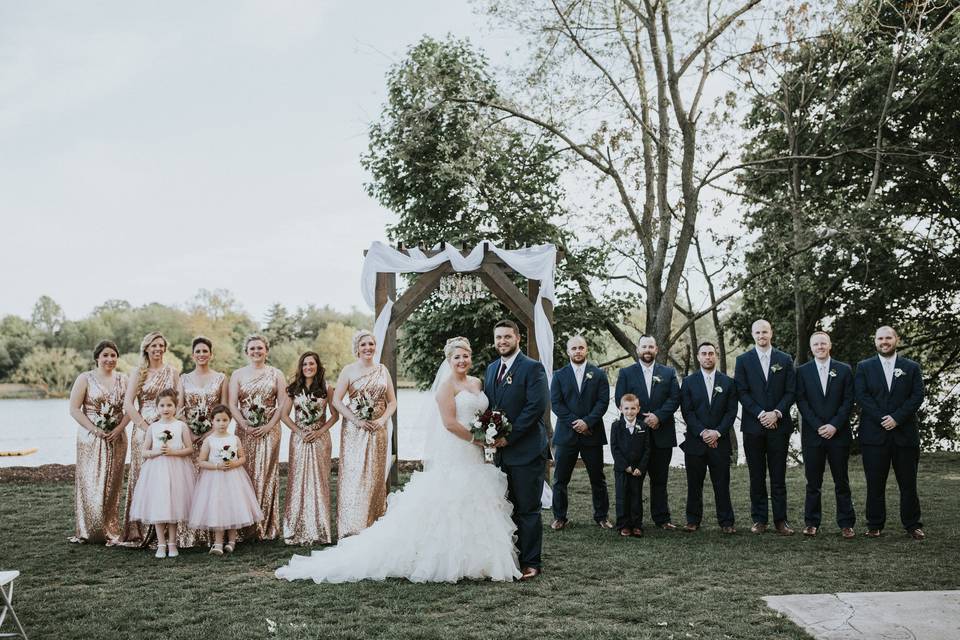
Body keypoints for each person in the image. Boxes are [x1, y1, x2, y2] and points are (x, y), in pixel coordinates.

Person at [275, 337, 520, 583]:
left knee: (474, 500)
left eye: (466, 356)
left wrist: (489, 430)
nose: (462, 360)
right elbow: (450, 424)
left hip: (475, 453)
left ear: (471, 357)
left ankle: (477, 558)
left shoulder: (478, 382)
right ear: (449, 360)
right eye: (457, 357)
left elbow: (483, 413)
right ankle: (443, 557)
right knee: (449, 501)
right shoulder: (446, 387)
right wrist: (479, 440)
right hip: (458, 448)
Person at [484, 320, 548, 580]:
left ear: (518, 338)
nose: (502, 342)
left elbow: (535, 407)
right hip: (499, 453)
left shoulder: (533, 368)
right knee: (504, 506)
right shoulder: (490, 369)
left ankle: (531, 561)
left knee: (527, 508)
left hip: (526, 450)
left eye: (507, 337)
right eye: (498, 337)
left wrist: (509, 438)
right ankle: (510, 556)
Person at [855, 326, 925, 540]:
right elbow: (862, 396)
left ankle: (912, 524)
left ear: (896, 339)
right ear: (875, 341)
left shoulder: (911, 367)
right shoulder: (864, 366)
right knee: (875, 483)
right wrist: (882, 418)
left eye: (888, 338)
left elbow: (917, 396)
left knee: (908, 483)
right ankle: (875, 525)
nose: (884, 341)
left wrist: (897, 418)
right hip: (874, 436)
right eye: (880, 338)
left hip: (905, 435)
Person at [330, 330, 398, 539]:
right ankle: (352, 526)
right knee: (354, 474)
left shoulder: (382, 370)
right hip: (354, 431)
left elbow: (392, 402)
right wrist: (356, 420)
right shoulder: (348, 371)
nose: (368, 348)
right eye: (363, 345)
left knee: (376, 476)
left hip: (378, 429)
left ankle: (374, 524)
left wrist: (381, 420)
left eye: (371, 344)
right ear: (357, 349)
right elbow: (337, 401)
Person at [734, 319, 796, 535]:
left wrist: (776, 413)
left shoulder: (784, 359)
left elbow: (791, 391)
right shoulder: (743, 360)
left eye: (765, 332)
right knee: (756, 475)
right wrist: (761, 414)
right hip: (753, 426)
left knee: (778, 475)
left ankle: (781, 520)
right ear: (753, 335)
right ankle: (759, 519)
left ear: (771, 333)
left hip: (779, 425)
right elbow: (741, 391)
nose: (762, 335)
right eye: (758, 332)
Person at [614, 335, 681, 530]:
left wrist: (658, 416)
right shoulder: (626, 373)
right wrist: (643, 420)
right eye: (644, 346)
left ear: (656, 350)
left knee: (660, 480)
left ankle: (662, 518)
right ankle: (630, 521)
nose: (647, 350)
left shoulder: (668, 373)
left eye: (651, 346)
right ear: (638, 349)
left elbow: (674, 398)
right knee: (632, 481)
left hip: (662, 433)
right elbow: (621, 399)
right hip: (635, 437)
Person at [67, 339, 129, 545]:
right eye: (105, 355)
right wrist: (95, 429)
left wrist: (119, 429)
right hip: (90, 437)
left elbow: (130, 409)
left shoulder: (124, 379)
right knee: (91, 483)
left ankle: (109, 528)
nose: (110, 359)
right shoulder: (85, 378)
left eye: (113, 355)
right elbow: (75, 409)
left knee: (112, 484)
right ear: (97, 358)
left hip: (117, 438)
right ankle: (89, 530)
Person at [795, 331, 856, 538]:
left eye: (823, 343)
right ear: (811, 348)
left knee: (842, 481)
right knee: (813, 482)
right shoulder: (802, 371)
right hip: (813, 435)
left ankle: (846, 523)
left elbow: (848, 400)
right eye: (815, 344)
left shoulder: (844, 369)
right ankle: (811, 522)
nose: (819, 347)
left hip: (838, 434)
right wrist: (818, 425)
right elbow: (801, 401)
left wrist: (834, 426)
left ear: (829, 345)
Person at [122, 331, 179, 546]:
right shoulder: (139, 373)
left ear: (165, 348)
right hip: (144, 431)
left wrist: (171, 423)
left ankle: (167, 534)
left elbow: (178, 401)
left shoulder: (172, 372)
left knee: (167, 479)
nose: (157, 349)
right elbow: (128, 404)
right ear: (146, 348)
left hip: (167, 429)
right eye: (153, 345)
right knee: (143, 477)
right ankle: (142, 530)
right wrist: (145, 427)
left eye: (161, 345)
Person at [550, 335, 612, 530]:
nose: (577, 351)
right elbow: (556, 403)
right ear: (568, 351)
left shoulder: (599, 374)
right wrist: (574, 423)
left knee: (597, 478)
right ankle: (560, 517)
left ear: (586, 350)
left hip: (592, 433)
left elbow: (603, 402)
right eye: (574, 348)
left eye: (581, 348)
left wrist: (587, 422)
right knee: (560, 479)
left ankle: (601, 516)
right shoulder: (559, 375)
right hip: (566, 435)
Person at [228, 334, 285, 541]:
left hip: (270, 431)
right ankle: (244, 527)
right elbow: (232, 404)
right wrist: (244, 424)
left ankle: (266, 526)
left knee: (267, 476)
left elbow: (283, 404)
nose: (256, 352)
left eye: (260, 348)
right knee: (244, 476)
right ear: (246, 352)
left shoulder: (276, 374)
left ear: (266, 351)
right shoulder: (237, 375)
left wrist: (269, 425)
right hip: (245, 432)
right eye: (252, 349)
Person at [128, 389, 196, 559]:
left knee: (174, 506)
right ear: (157, 407)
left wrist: (173, 451)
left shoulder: (181, 426)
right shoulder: (153, 427)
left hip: (177, 470)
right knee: (159, 506)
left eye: (169, 405)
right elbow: (144, 451)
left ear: (175, 406)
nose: (166, 409)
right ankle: (161, 544)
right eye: (162, 405)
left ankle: (172, 543)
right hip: (157, 470)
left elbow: (189, 449)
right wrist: (157, 452)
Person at [280, 352, 339, 545]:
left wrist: (319, 431)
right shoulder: (293, 389)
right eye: (305, 364)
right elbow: (284, 415)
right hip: (299, 440)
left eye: (311, 363)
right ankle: (296, 528)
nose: (308, 367)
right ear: (301, 367)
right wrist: (299, 431)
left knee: (319, 481)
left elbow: (334, 416)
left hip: (320, 439)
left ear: (317, 365)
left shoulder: (326, 388)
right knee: (298, 481)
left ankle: (320, 529)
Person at [679, 341, 737, 534]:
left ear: (716, 356)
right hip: (696, 441)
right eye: (704, 353)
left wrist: (717, 432)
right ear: (698, 357)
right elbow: (687, 411)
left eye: (711, 353)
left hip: (720, 442)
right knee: (694, 484)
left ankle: (726, 522)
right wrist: (703, 432)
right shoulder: (688, 382)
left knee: (721, 483)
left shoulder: (728, 382)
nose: (707, 357)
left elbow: (731, 412)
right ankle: (693, 520)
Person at [189, 404, 263, 555]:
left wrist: (233, 463)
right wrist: (217, 466)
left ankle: (231, 541)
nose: (221, 423)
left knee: (233, 506)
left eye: (225, 420)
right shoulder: (209, 440)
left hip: (234, 477)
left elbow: (242, 458)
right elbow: (201, 462)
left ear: (230, 421)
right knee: (218, 508)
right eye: (218, 420)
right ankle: (217, 543)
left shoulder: (234, 438)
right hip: (214, 479)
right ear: (212, 421)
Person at [177, 335, 228, 548]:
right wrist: (189, 431)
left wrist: (209, 433)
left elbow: (224, 409)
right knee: (188, 483)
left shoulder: (221, 378)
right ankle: (189, 534)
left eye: (205, 351)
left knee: (211, 486)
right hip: (189, 436)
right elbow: (179, 409)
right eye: (197, 351)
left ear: (211, 354)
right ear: (192, 355)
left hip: (213, 437)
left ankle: (212, 533)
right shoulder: (183, 379)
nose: (201, 355)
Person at [610, 394, 650, 537]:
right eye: (626, 408)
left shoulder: (643, 426)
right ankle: (623, 525)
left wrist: (640, 467)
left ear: (638, 409)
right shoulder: (616, 426)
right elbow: (614, 448)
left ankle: (636, 525)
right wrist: (625, 466)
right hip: (622, 469)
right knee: (622, 496)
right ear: (621, 409)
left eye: (633, 408)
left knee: (636, 495)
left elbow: (647, 449)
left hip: (638, 470)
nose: (630, 411)